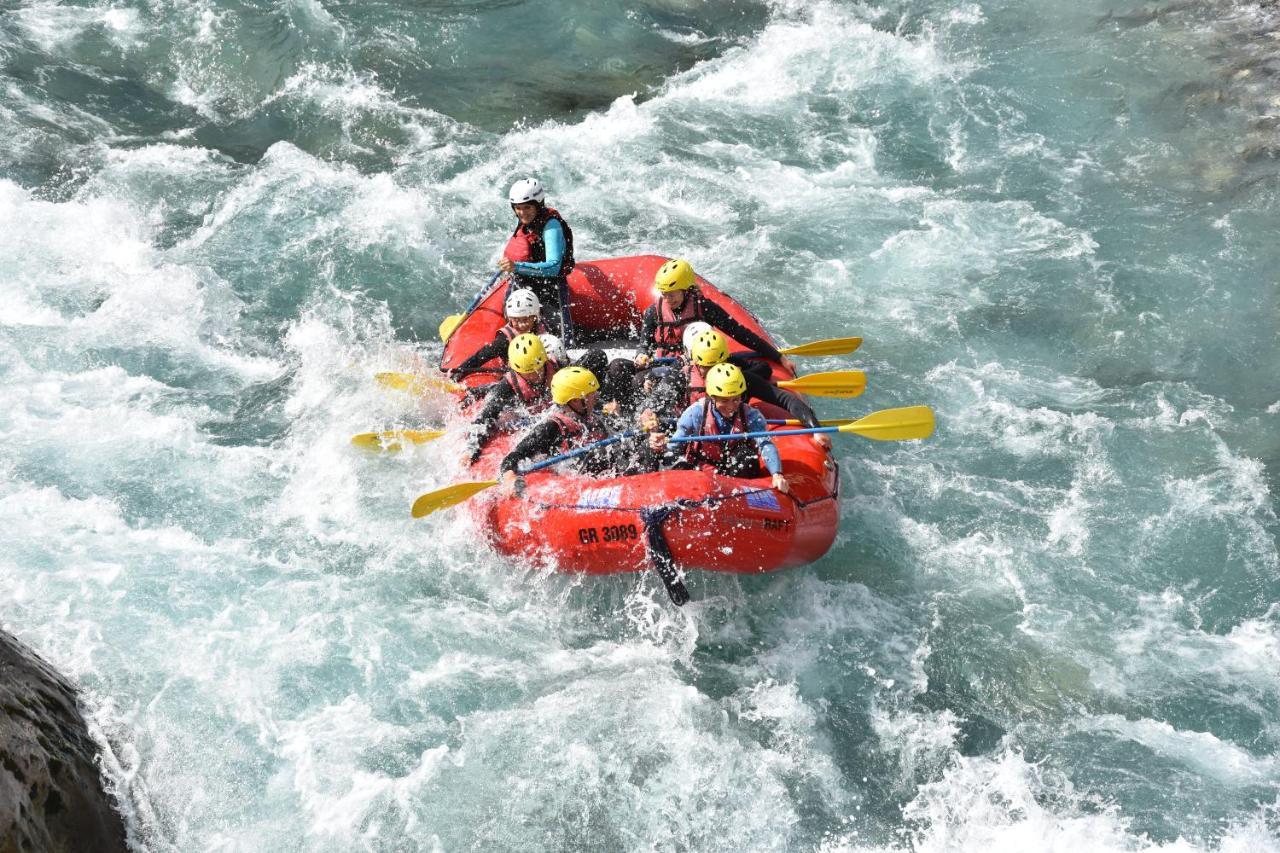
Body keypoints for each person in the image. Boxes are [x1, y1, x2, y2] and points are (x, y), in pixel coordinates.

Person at [641, 329, 832, 451]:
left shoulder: (742, 380)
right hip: (688, 437)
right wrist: (652, 425)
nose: (714, 371)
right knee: (648, 446)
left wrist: (816, 429)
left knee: (744, 462)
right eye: (707, 367)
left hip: (730, 441)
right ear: (696, 363)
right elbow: (651, 407)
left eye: (719, 364)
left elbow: (787, 400)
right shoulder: (680, 376)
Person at [649, 363, 792, 493]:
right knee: (675, 463)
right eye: (724, 401)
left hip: (734, 475)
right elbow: (675, 447)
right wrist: (661, 445)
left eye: (736, 399)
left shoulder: (752, 416)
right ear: (712, 397)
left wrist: (777, 474)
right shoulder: (695, 413)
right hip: (701, 472)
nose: (731, 406)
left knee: (748, 458)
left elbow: (765, 444)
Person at [500, 366, 636, 495]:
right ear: (576, 401)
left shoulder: (590, 412)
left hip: (606, 476)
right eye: (592, 394)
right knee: (598, 453)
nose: (597, 396)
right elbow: (515, 456)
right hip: (577, 485)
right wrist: (509, 476)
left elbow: (623, 436)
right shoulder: (550, 428)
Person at [633, 258, 788, 367]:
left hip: (701, 366)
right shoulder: (653, 312)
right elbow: (644, 345)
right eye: (664, 294)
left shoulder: (704, 307)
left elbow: (739, 332)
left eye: (672, 294)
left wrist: (777, 356)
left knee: (763, 370)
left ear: (686, 290)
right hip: (664, 365)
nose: (667, 299)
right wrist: (641, 355)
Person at [497, 178, 575, 342]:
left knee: (561, 340)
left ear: (538, 205)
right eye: (518, 208)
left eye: (527, 207)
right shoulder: (526, 220)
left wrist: (516, 266)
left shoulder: (551, 225)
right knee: (514, 327)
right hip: (524, 280)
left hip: (550, 286)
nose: (522, 213)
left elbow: (554, 267)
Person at [464, 334, 558, 464]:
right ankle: (478, 391)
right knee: (494, 395)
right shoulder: (508, 385)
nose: (534, 375)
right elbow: (485, 418)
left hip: (541, 407)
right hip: (516, 406)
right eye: (527, 372)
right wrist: (471, 450)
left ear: (544, 360)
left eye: (538, 369)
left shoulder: (559, 368)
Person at [451, 288, 546, 379]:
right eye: (516, 320)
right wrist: (458, 372)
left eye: (525, 319)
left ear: (535, 317)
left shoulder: (543, 329)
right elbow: (481, 356)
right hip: (516, 376)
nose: (521, 325)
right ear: (510, 318)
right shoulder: (504, 341)